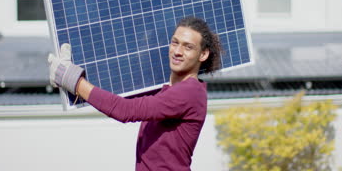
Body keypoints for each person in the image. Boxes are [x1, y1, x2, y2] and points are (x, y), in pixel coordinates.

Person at [47, 16, 222, 171]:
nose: (177, 51)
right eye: (175, 42)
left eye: (188, 47)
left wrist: (72, 80)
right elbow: (117, 97)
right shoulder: (169, 91)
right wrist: (73, 84)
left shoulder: (188, 92)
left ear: (203, 54)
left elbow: (125, 110)